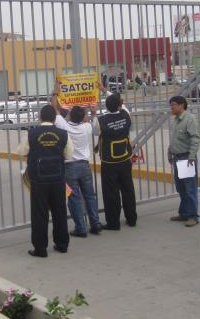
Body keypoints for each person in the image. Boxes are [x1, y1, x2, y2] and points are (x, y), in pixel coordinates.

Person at [17, 104, 73, 257]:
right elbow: (69, 155)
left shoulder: (31, 133)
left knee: (39, 213)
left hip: (39, 179)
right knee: (59, 211)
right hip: (58, 178)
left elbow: (22, 151)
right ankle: (62, 244)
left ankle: (40, 248)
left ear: (40, 117)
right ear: (55, 119)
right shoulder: (63, 133)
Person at [51, 99, 102, 237]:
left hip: (69, 168)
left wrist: (56, 93)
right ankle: (95, 223)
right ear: (83, 117)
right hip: (85, 166)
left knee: (74, 198)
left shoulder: (64, 126)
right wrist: (94, 112)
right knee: (90, 196)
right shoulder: (86, 127)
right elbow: (97, 129)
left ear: (69, 115)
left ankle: (81, 228)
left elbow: (54, 108)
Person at [92, 93, 137, 230]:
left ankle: (113, 222)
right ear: (119, 105)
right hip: (125, 159)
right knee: (128, 189)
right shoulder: (126, 115)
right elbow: (123, 105)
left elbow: (95, 132)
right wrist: (106, 90)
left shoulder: (100, 121)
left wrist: (94, 113)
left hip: (109, 162)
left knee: (111, 193)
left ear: (106, 106)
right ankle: (131, 219)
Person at [167, 96, 200, 227]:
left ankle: (193, 216)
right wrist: (170, 153)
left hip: (186, 159)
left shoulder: (189, 120)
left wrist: (192, 156)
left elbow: (195, 139)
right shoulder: (175, 120)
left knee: (190, 189)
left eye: (173, 105)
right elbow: (174, 140)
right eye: (171, 105)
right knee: (181, 188)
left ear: (181, 105)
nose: (172, 107)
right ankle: (184, 213)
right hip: (177, 158)